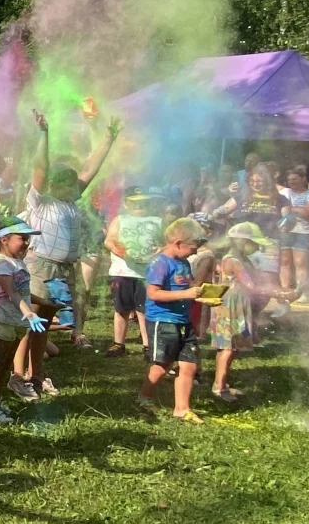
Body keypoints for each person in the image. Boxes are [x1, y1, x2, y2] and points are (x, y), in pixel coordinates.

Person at [13, 109, 121, 399]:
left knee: (44, 325)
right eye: (68, 183)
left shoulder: (71, 199)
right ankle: (18, 374)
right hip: (41, 266)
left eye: (75, 183)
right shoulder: (41, 201)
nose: (76, 186)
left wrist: (107, 141)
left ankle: (37, 376)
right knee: (32, 321)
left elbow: (89, 170)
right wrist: (44, 133)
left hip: (62, 269)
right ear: (53, 185)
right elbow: (41, 167)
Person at [209, 223, 300, 402]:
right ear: (242, 241)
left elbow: (258, 280)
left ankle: (221, 384)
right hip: (231, 306)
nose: (258, 247)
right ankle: (219, 388)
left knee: (232, 347)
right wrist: (280, 293)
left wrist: (279, 289)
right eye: (254, 243)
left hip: (238, 304)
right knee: (228, 348)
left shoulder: (243, 258)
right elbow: (252, 286)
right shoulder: (233, 261)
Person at [0, 217, 51, 423]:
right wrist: (29, 313)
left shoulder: (15, 262)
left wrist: (44, 303)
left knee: (5, 364)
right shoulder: (1, 263)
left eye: (28, 239)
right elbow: (11, 292)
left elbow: (23, 291)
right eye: (22, 238)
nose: (27, 243)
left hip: (14, 320)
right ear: (4, 239)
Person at [136, 218, 207, 423]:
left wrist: (203, 296)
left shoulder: (183, 262)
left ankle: (181, 409)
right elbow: (154, 294)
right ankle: (144, 396)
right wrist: (187, 294)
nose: (195, 252)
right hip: (163, 320)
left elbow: (187, 288)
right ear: (177, 243)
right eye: (192, 248)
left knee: (189, 365)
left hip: (183, 320)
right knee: (162, 364)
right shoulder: (160, 263)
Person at [214, 163, 291, 317]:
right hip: (241, 244)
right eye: (252, 181)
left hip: (267, 244)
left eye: (259, 181)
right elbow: (222, 210)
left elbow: (288, 218)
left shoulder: (280, 199)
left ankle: (253, 315)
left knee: (267, 283)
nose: (255, 185)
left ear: (268, 181)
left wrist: (288, 222)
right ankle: (234, 313)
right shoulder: (242, 196)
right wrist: (218, 212)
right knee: (236, 280)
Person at [103, 187, 163, 359]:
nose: (139, 205)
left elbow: (166, 243)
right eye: (135, 202)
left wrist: (161, 249)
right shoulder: (120, 220)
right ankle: (118, 343)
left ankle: (147, 345)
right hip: (123, 271)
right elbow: (109, 240)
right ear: (126, 203)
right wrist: (118, 249)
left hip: (147, 273)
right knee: (121, 308)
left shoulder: (157, 221)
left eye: (143, 202)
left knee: (144, 309)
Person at [278, 167, 309, 301]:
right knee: (284, 261)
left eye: (295, 179)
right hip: (285, 230)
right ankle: (285, 291)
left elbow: (308, 212)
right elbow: (281, 209)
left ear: (303, 179)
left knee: (300, 262)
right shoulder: (285, 191)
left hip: (303, 231)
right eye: (289, 179)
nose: (291, 182)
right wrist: (298, 210)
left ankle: (301, 292)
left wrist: (289, 209)